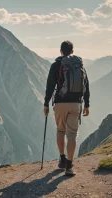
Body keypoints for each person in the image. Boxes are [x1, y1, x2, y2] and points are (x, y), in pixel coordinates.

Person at [44, 40, 90, 176]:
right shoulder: (79, 65)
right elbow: (86, 85)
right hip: (76, 104)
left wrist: (46, 103)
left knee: (60, 131)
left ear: (60, 51)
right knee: (72, 134)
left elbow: (50, 86)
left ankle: (62, 158)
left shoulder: (56, 65)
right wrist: (87, 104)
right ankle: (70, 165)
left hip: (59, 103)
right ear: (72, 51)